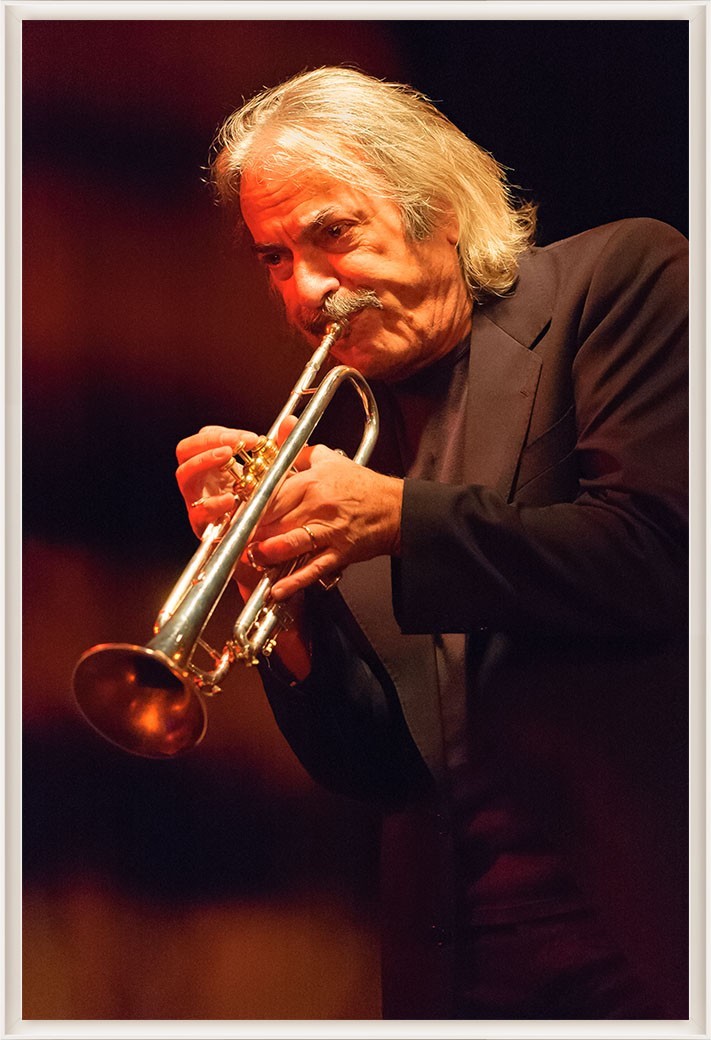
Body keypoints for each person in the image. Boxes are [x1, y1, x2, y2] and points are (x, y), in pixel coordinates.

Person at [175, 67, 688, 1020]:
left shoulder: (618, 279)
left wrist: (399, 519)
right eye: (276, 259)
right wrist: (280, 600)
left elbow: (657, 557)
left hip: (643, 934)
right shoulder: (345, 444)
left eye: (332, 234)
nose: (306, 291)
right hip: (456, 967)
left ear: (439, 211)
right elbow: (378, 768)